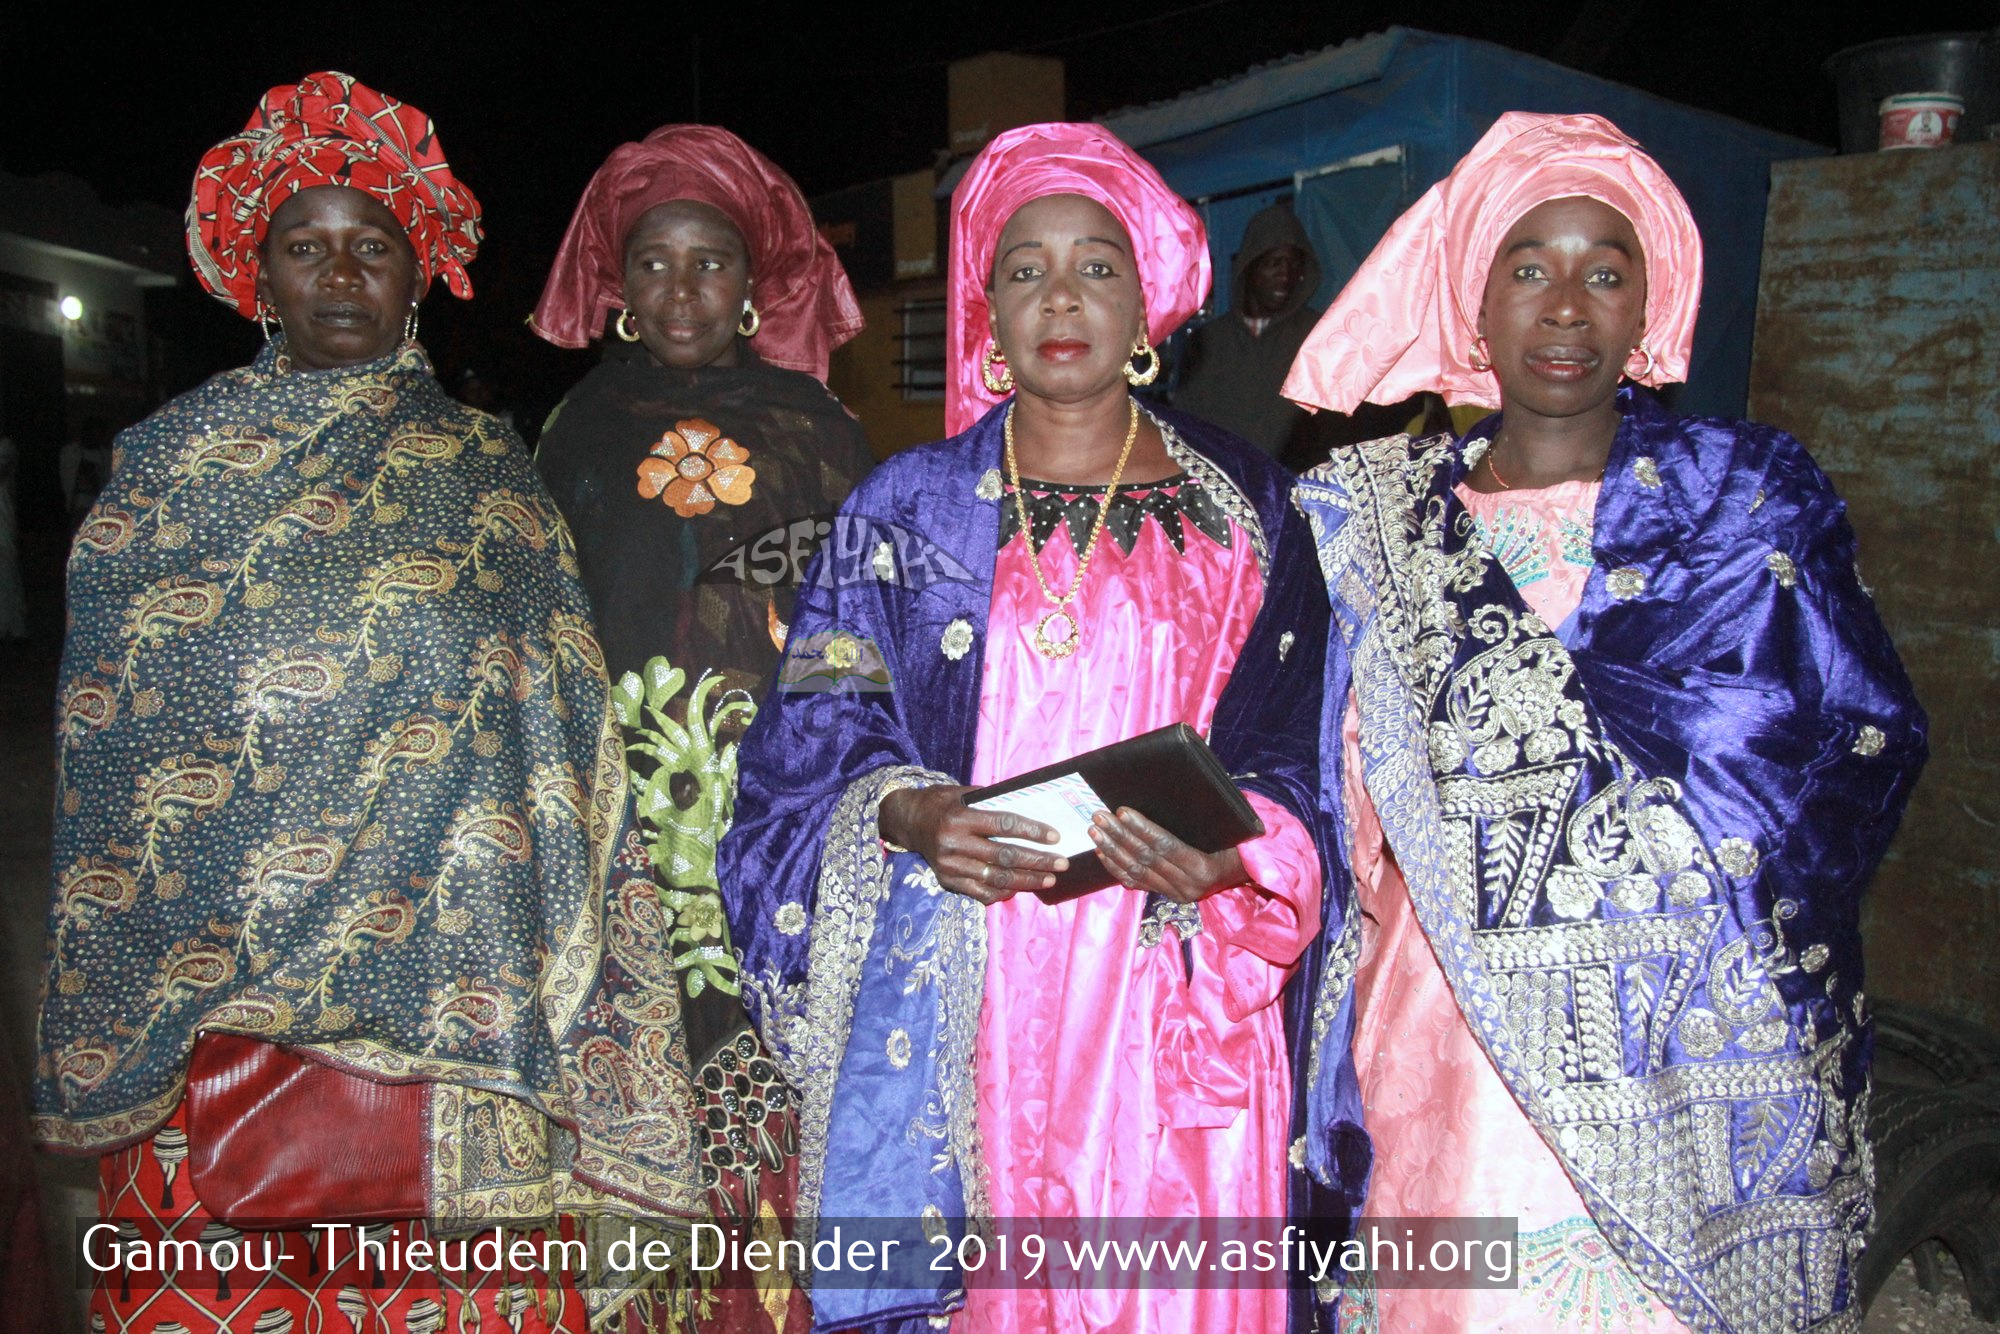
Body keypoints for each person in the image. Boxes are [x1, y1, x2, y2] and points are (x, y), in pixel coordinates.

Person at [36, 72, 706, 1332]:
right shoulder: (170, 470)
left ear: (417, 272)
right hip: (223, 1025)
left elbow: (560, 742)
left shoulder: (487, 475)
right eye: (306, 248)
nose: (340, 275)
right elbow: (115, 748)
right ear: (259, 273)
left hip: (468, 1023)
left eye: (371, 247)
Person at [1282, 112, 1927, 1331]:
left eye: (1603, 270)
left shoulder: (1749, 497)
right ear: (1475, 304)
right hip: (1443, 1033)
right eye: (1526, 268)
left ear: (1650, 306)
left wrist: (1691, 889)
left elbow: (1860, 731)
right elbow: (1329, 779)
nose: (1564, 304)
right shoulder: (1378, 523)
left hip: (1692, 1046)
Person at [717, 122, 1364, 1333]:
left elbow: (1301, 747)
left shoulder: (1246, 506)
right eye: (1024, 269)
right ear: (988, 311)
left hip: (1172, 982)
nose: (1059, 296)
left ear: (1150, 305)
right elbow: (809, 736)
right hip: (977, 984)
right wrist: (910, 814)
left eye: (1094, 266)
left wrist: (1236, 858)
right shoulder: (899, 510)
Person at [529, 123, 874, 1330]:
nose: (683, 290)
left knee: (784, 1087)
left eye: (711, 263)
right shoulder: (566, 435)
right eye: (657, 262)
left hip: (777, 823)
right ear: (620, 285)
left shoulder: (816, 429)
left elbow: (861, 633)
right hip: (616, 826)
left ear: (753, 285)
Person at [1172, 201, 1323, 459]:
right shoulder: (1208, 341)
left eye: (1293, 265)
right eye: (1274, 263)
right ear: (1250, 267)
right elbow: (1185, 425)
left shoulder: (1316, 336)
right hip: (1222, 488)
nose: (1285, 275)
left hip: (1295, 489)